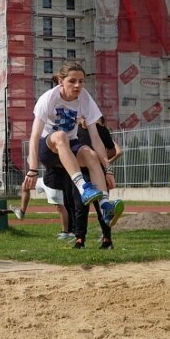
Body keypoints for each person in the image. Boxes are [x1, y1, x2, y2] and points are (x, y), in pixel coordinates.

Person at [23, 61, 124, 249]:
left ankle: (104, 207)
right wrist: (32, 170)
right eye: (72, 81)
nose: (77, 86)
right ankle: (83, 187)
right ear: (61, 81)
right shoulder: (49, 98)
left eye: (81, 81)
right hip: (48, 146)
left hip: (70, 147)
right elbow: (34, 135)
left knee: (89, 152)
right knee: (61, 135)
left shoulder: (85, 98)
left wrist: (108, 170)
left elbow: (96, 138)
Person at [77, 115, 123, 249]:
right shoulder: (75, 132)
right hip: (82, 173)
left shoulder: (101, 130)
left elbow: (113, 150)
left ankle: (107, 239)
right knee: (80, 207)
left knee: (103, 207)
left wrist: (98, 160)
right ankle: (80, 239)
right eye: (82, 116)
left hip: (98, 173)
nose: (85, 119)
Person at [17, 174, 73, 240]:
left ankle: (65, 232)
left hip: (54, 181)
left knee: (59, 207)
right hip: (45, 179)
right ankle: (21, 212)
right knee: (25, 185)